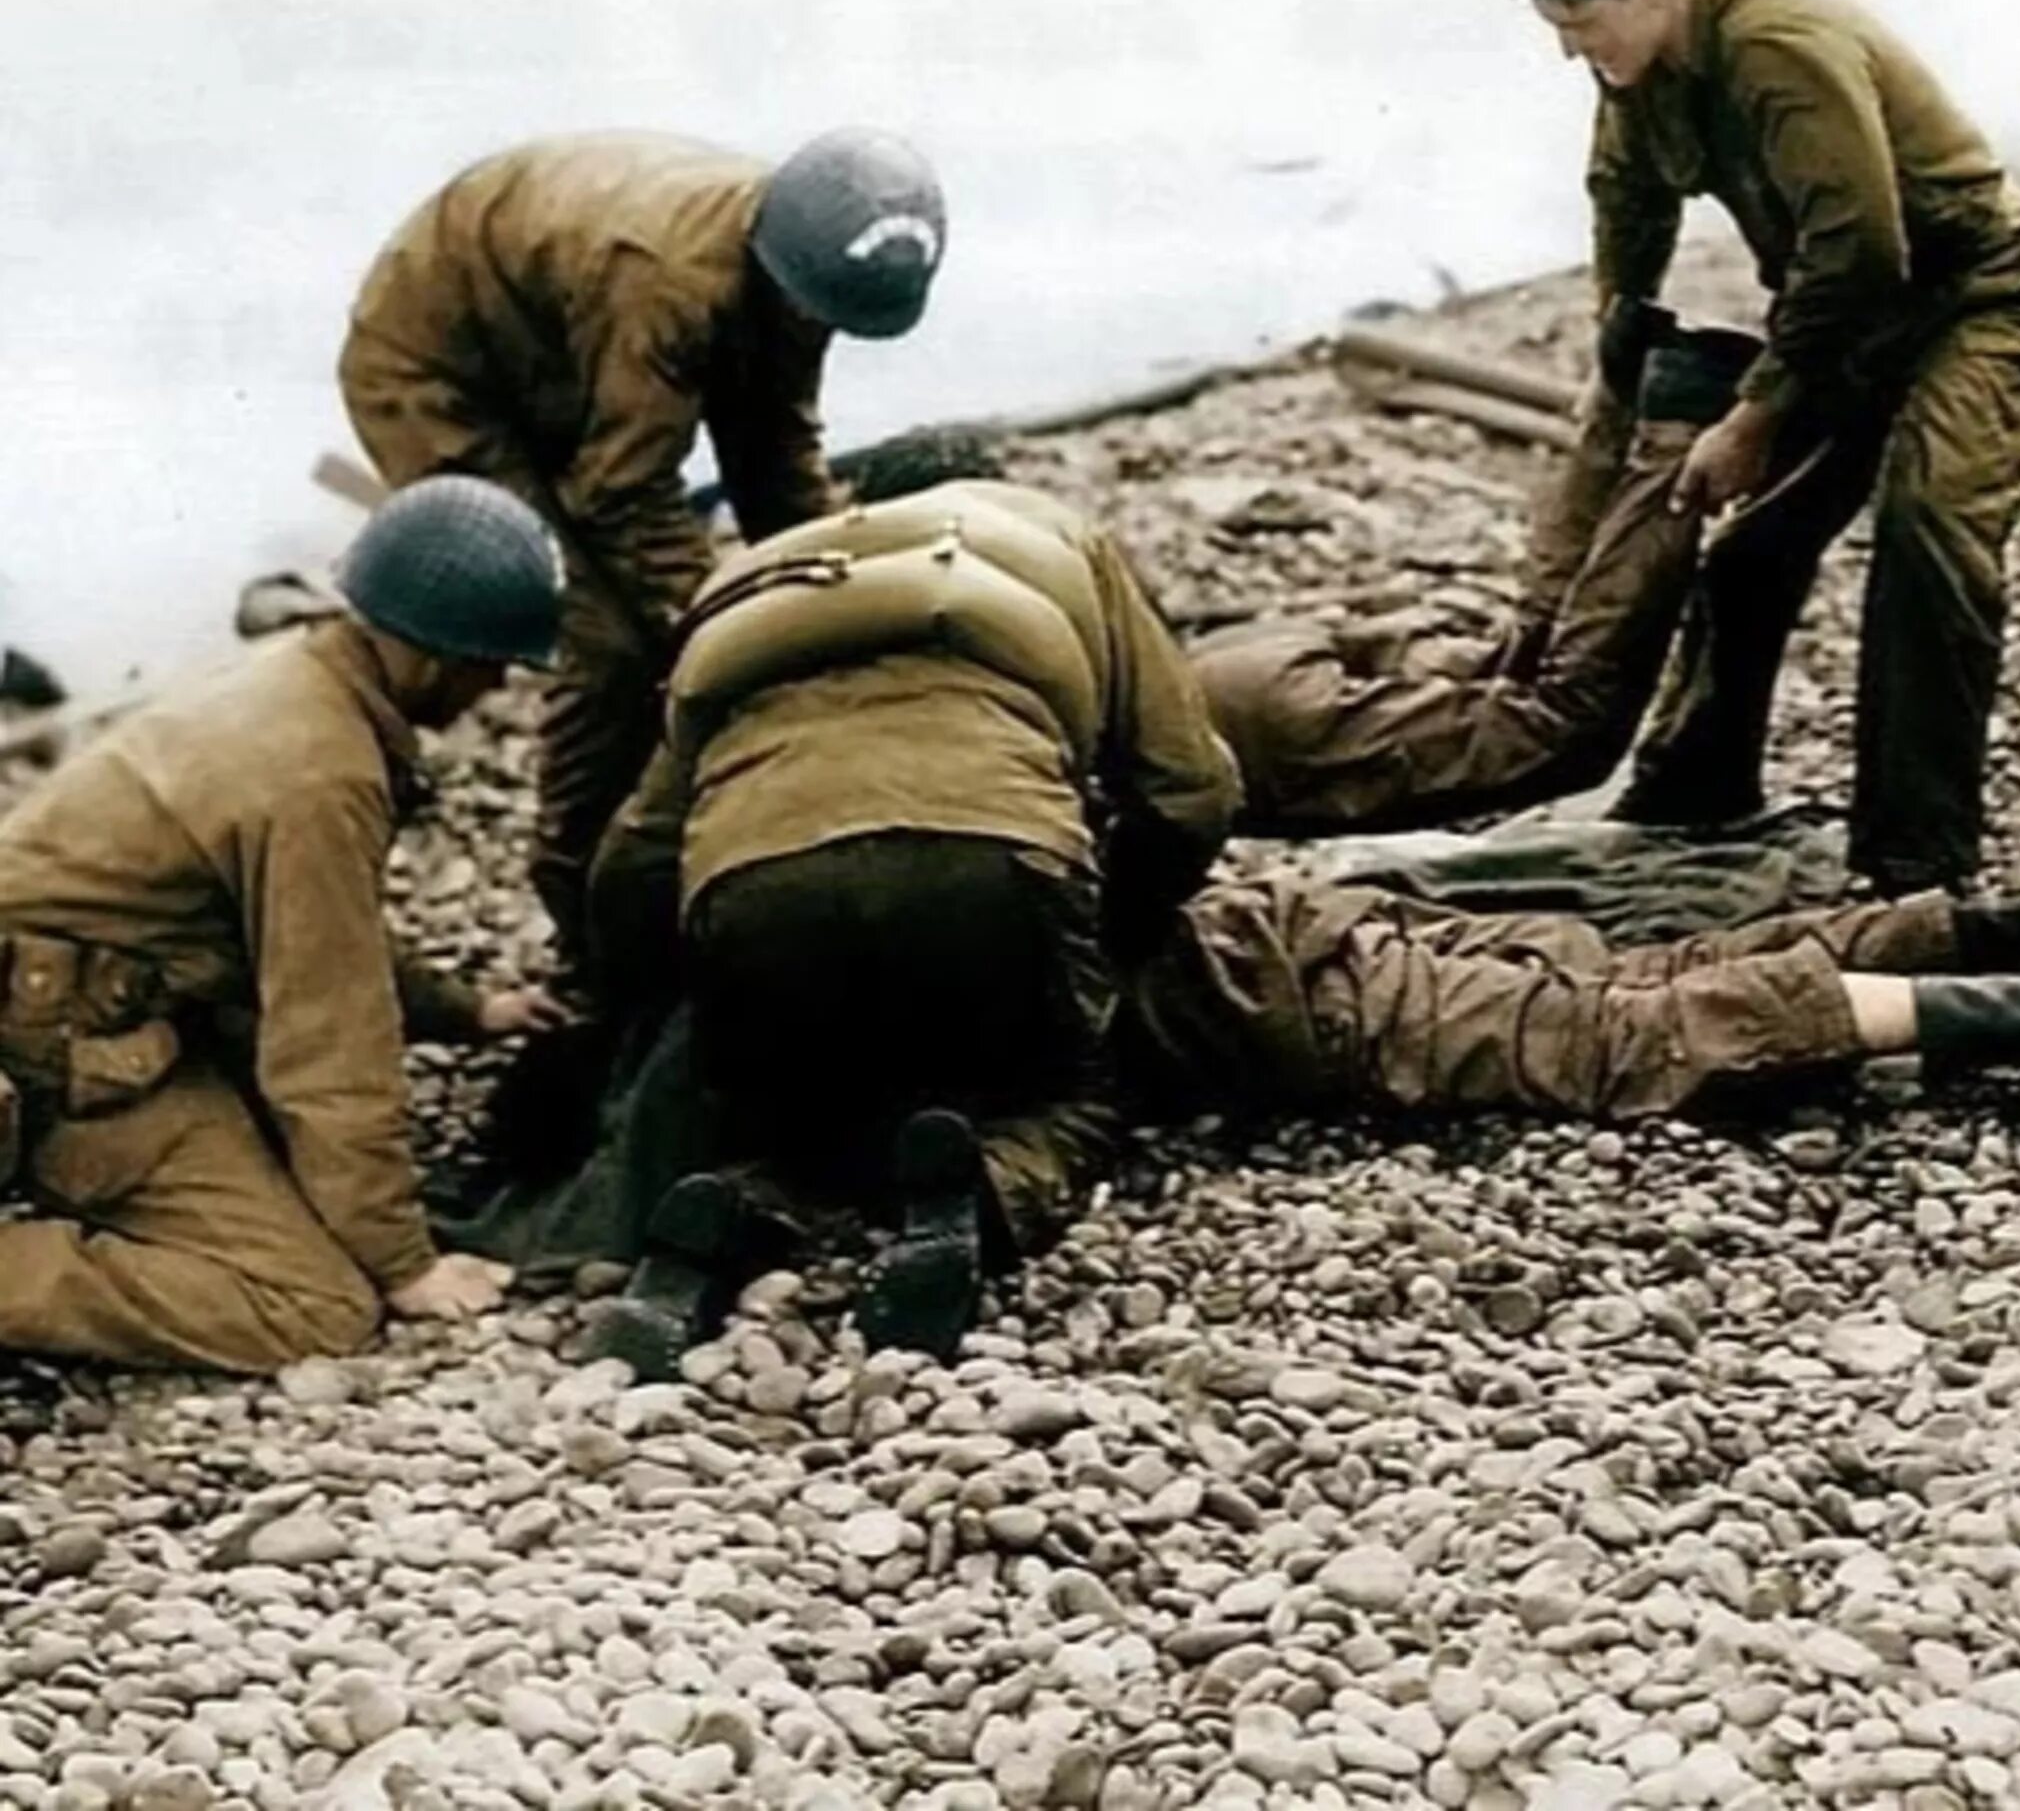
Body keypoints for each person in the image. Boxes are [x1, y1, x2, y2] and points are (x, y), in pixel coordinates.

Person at [576, 478, 2020, 1373]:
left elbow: (628, 884)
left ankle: (750, 1195)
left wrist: (675, 1008)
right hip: (1094, 925)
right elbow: (1190, 798)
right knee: (1568, 1005)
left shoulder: (740, 622)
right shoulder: (1045, 565)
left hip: (767, 925)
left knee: (1569, 984)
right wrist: (1109, 935)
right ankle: (2016, 978)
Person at [584, 478, 1242, 1364]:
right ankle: (974, 1191)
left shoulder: (751, 587)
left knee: (788, 1122)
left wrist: (650, 994)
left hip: (752, 880)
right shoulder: (1060, 541)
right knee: (1069, 1095)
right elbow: (1193, 790)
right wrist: (1115, 926)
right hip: (984, 850)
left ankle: (729, 1215)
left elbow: (632, 860)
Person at [1512, 0, 2020, 893]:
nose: (1570, 50)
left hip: (1978, 297)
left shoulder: (1774, 39)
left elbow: (1861, 244)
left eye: (1582, 25)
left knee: (1930, 538)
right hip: (1850, 318)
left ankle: (1916, 863)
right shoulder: (1639, 66)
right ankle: (1695, 792)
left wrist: (1758, 414)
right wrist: (1613, 354)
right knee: (1751, 548)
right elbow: (1628, 200)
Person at [0, 477, 564, 1371]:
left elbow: (308, 930)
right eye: (489, 662)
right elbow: (329, 1041)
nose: (495, 686)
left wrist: (465, 1009)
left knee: (293, 1171)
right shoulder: (322, 774)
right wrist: (402, 1265)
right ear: (427, 655)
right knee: (307, 1306)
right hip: (54, 1049)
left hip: (87, 1005)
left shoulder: (294, 684)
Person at [340, 128, 947, 945]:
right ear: (777, 265)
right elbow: (622, 493)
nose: (818, 331)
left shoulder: (802, 264)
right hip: (442, 366)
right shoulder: (671, 285)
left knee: (716, 594)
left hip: (561, 338)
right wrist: (731, 627)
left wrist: (831, 596)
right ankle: (580, 899)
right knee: (601, 631)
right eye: (814, 315)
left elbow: (775, 449)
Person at [1192, 317, 1762, 835]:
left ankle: (1672, 435)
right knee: (1525, 660)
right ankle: (1630, 394)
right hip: (1225, 665)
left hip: (1244, 726)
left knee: (1564, 727)